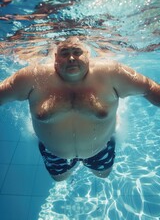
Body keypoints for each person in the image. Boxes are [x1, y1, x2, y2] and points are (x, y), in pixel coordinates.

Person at [0, 37, 160, 181]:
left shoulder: (112, 73)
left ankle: (113, 122)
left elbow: (149, 89)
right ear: (55, 57)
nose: (71, 58)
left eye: (77, 52)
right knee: (59, 179)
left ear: (88, 55)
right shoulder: (32, 77)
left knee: (103, 174)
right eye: (64, 53)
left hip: (100, 147)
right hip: (54, 152)